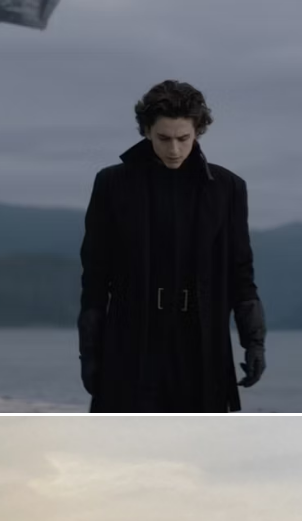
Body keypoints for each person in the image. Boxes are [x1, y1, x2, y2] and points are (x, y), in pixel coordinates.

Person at [77, 79, 266, 412]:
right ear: (146, 131)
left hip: (202, 341)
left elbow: (241, 271)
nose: (174, 150)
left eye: (184, 139)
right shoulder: (111, 184)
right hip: (131, 339)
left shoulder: (228, 188)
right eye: (164, 138)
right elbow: (95, 276)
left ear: (198, 132)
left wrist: (254, 344)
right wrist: (90, 353)